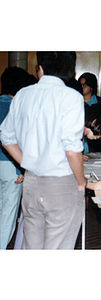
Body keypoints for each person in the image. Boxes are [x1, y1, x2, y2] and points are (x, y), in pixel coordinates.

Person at [0, 51, 101, 249]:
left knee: (33, 248)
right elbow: (72, 148)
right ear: (70, 69)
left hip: (31, 182)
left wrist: (26, 162)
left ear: (41, 68)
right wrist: (82, 182)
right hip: (62, 185)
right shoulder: (71, 97)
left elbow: (5, 136)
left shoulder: (22, 94)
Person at [0, 66, 33, 249]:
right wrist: (21, 168)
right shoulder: (17, 107)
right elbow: (19, 140)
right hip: (9, 165)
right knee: (8, 213)